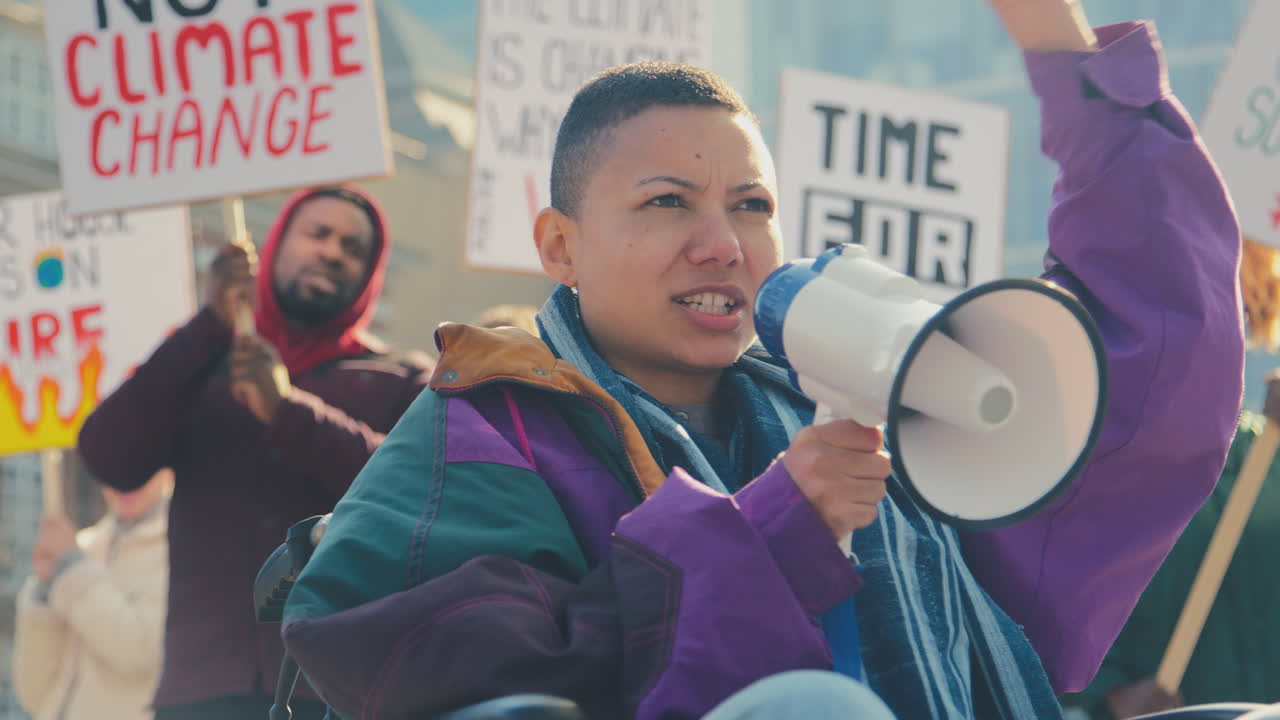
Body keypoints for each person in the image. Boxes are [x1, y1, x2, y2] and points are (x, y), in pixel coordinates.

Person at [279, 1, 1243, 717]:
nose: (724, 244)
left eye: (753, 205)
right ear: (560, 245)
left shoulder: (880, 411)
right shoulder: (488, 427)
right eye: (667, 202)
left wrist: (1059, 47)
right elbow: (465, 680)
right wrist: (775, 533)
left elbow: (1148, 374)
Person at [76, 185, 433, 720]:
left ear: (370, 275)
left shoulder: (402, 381)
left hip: (340, 693)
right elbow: (108, 455)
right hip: (201, 694)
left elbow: (418, 494)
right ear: (274, 246)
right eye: (317, 234)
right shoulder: (204, 362)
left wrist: (288, 412)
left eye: (352, 247)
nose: (332, 252)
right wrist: (210, 323)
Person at [1060, 247, 1280, 719]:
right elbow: (1018, 629)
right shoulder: (1075, 459)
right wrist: (1103, 701)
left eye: (1231, 307)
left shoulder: (1268, 456)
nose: (1209, 331)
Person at [13, 468, 173, 720]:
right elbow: (35, 691)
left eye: (140, 463)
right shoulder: (83, 547)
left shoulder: (180, 550)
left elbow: (140, 652)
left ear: (168, 469)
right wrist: (44, 591)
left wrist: (72, 570)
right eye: (115, 461)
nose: (126, 480)